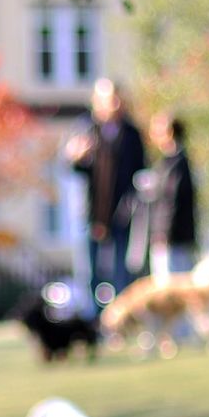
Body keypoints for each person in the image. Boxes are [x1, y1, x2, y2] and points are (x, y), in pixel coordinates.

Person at [63, 78, 147, 311]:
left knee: (120, 272)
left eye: (117, 98)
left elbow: (139, 173)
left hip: (121, 213)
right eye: (109, 99)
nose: (114, 103)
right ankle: (94, 322)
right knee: (90, 272)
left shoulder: (131, 134)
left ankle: (119, 321)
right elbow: (73, 167)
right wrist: (74, 158)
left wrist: (131, 205)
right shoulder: (84, 128)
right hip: (90, 214)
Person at [145, 112, 199, 275]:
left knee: (173, 285)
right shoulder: (167, 163)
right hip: (169, 237)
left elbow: (171, 201)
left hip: (175, 239)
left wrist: (163, 233)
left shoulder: (177, 164)